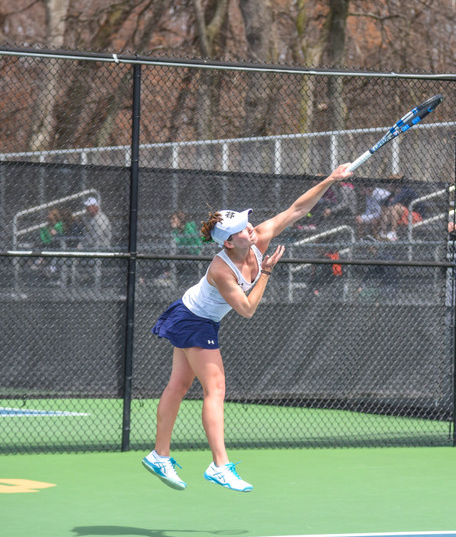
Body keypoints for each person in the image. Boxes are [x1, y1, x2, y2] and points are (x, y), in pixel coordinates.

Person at [142, 163, 354, 493]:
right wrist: (266, 273)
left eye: (246, 222)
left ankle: (159, 455)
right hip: (195, 320)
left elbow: (297, 209)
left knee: (180, 385)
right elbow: (247, 309)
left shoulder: (258, 238)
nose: (249, 228)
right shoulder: (221, 270)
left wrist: (331, 179)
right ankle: (219, 465)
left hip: (192, 314)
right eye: (241, 228)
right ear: (228, 243)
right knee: (216, 388)